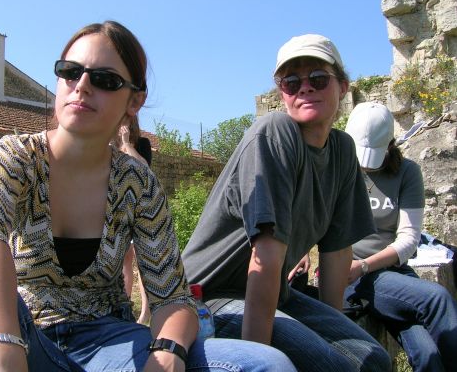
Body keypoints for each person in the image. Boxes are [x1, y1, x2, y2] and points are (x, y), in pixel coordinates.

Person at [0, 21, 296, 372]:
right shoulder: (14, 158)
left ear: (134, 101)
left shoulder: (138, 183)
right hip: (23, 338)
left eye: (104, 80)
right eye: (70, 71)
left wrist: (168, 351)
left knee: (266, 364)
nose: (82, 86)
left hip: (110, 345)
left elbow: (172, 298)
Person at [182, 34, 392, 372]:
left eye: (318, 78)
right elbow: (265, 259)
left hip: (276, 293)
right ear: (282, 94)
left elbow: (337, 252)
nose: (304, 87)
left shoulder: (342, 150)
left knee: (373, 360)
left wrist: (332, 330)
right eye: (291, 82)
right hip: (207, 297)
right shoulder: (274, 133)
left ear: (343, 86)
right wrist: (258, 360)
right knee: (333, 367)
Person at [343, 101, 457, 372]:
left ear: (390, 144)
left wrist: (365, 265)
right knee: (437, 298)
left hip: (386, 271)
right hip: (350, 276)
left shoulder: (407, 172)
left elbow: (408, 239)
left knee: (428, 353)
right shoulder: (338, 169)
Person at [115, 115, 152, 324]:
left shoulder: (142, 144)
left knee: (143, 262)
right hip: (118, 210)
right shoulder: (109, 145)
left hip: (139, 209)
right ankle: (125, 304)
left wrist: (127, 143)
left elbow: (144, 168)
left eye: (126, 120)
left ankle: (146, 313)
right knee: (124, 260)